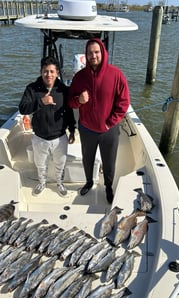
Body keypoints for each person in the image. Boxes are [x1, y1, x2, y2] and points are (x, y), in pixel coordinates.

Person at [68, 38, 130, 203]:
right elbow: (70, 101)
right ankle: (89, 182)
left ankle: (108, 187)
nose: (93, 56)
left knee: (109, 163)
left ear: (103, 53)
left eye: (97, 52)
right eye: (90, 53)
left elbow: (123, 103)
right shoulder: (79, 77)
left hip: (109, 130)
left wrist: (110, 122)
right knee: (87, 160)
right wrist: (79, 100)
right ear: (86, 55)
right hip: (87, 129)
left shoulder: (117, 75)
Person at [19, 56, 76, 197]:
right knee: (40, 164)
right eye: (45, 71)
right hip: (39, 137)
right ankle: (42, 182)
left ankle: (59, 183)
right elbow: (23, 109)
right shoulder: (31, 89)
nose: (48, 75)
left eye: (52, 71)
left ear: (57, 73)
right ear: (40, 72)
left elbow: (69, 112)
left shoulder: (64, 90)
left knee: (60, 163)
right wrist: (41, 101)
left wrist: (73, 130)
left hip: (60, 137)